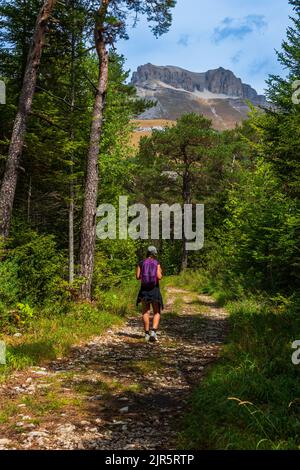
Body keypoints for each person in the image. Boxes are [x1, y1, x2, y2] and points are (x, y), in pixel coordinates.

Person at [136, 246, 164, 342]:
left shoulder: (141, 263)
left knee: (145, 312)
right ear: (154, 254)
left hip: (144, 290)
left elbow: (137, 276)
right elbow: (159, 277)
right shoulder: (157, 263)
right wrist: (160, 271)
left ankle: (146, 334)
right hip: (154, 290)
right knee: (156, 312)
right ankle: (154, 332)